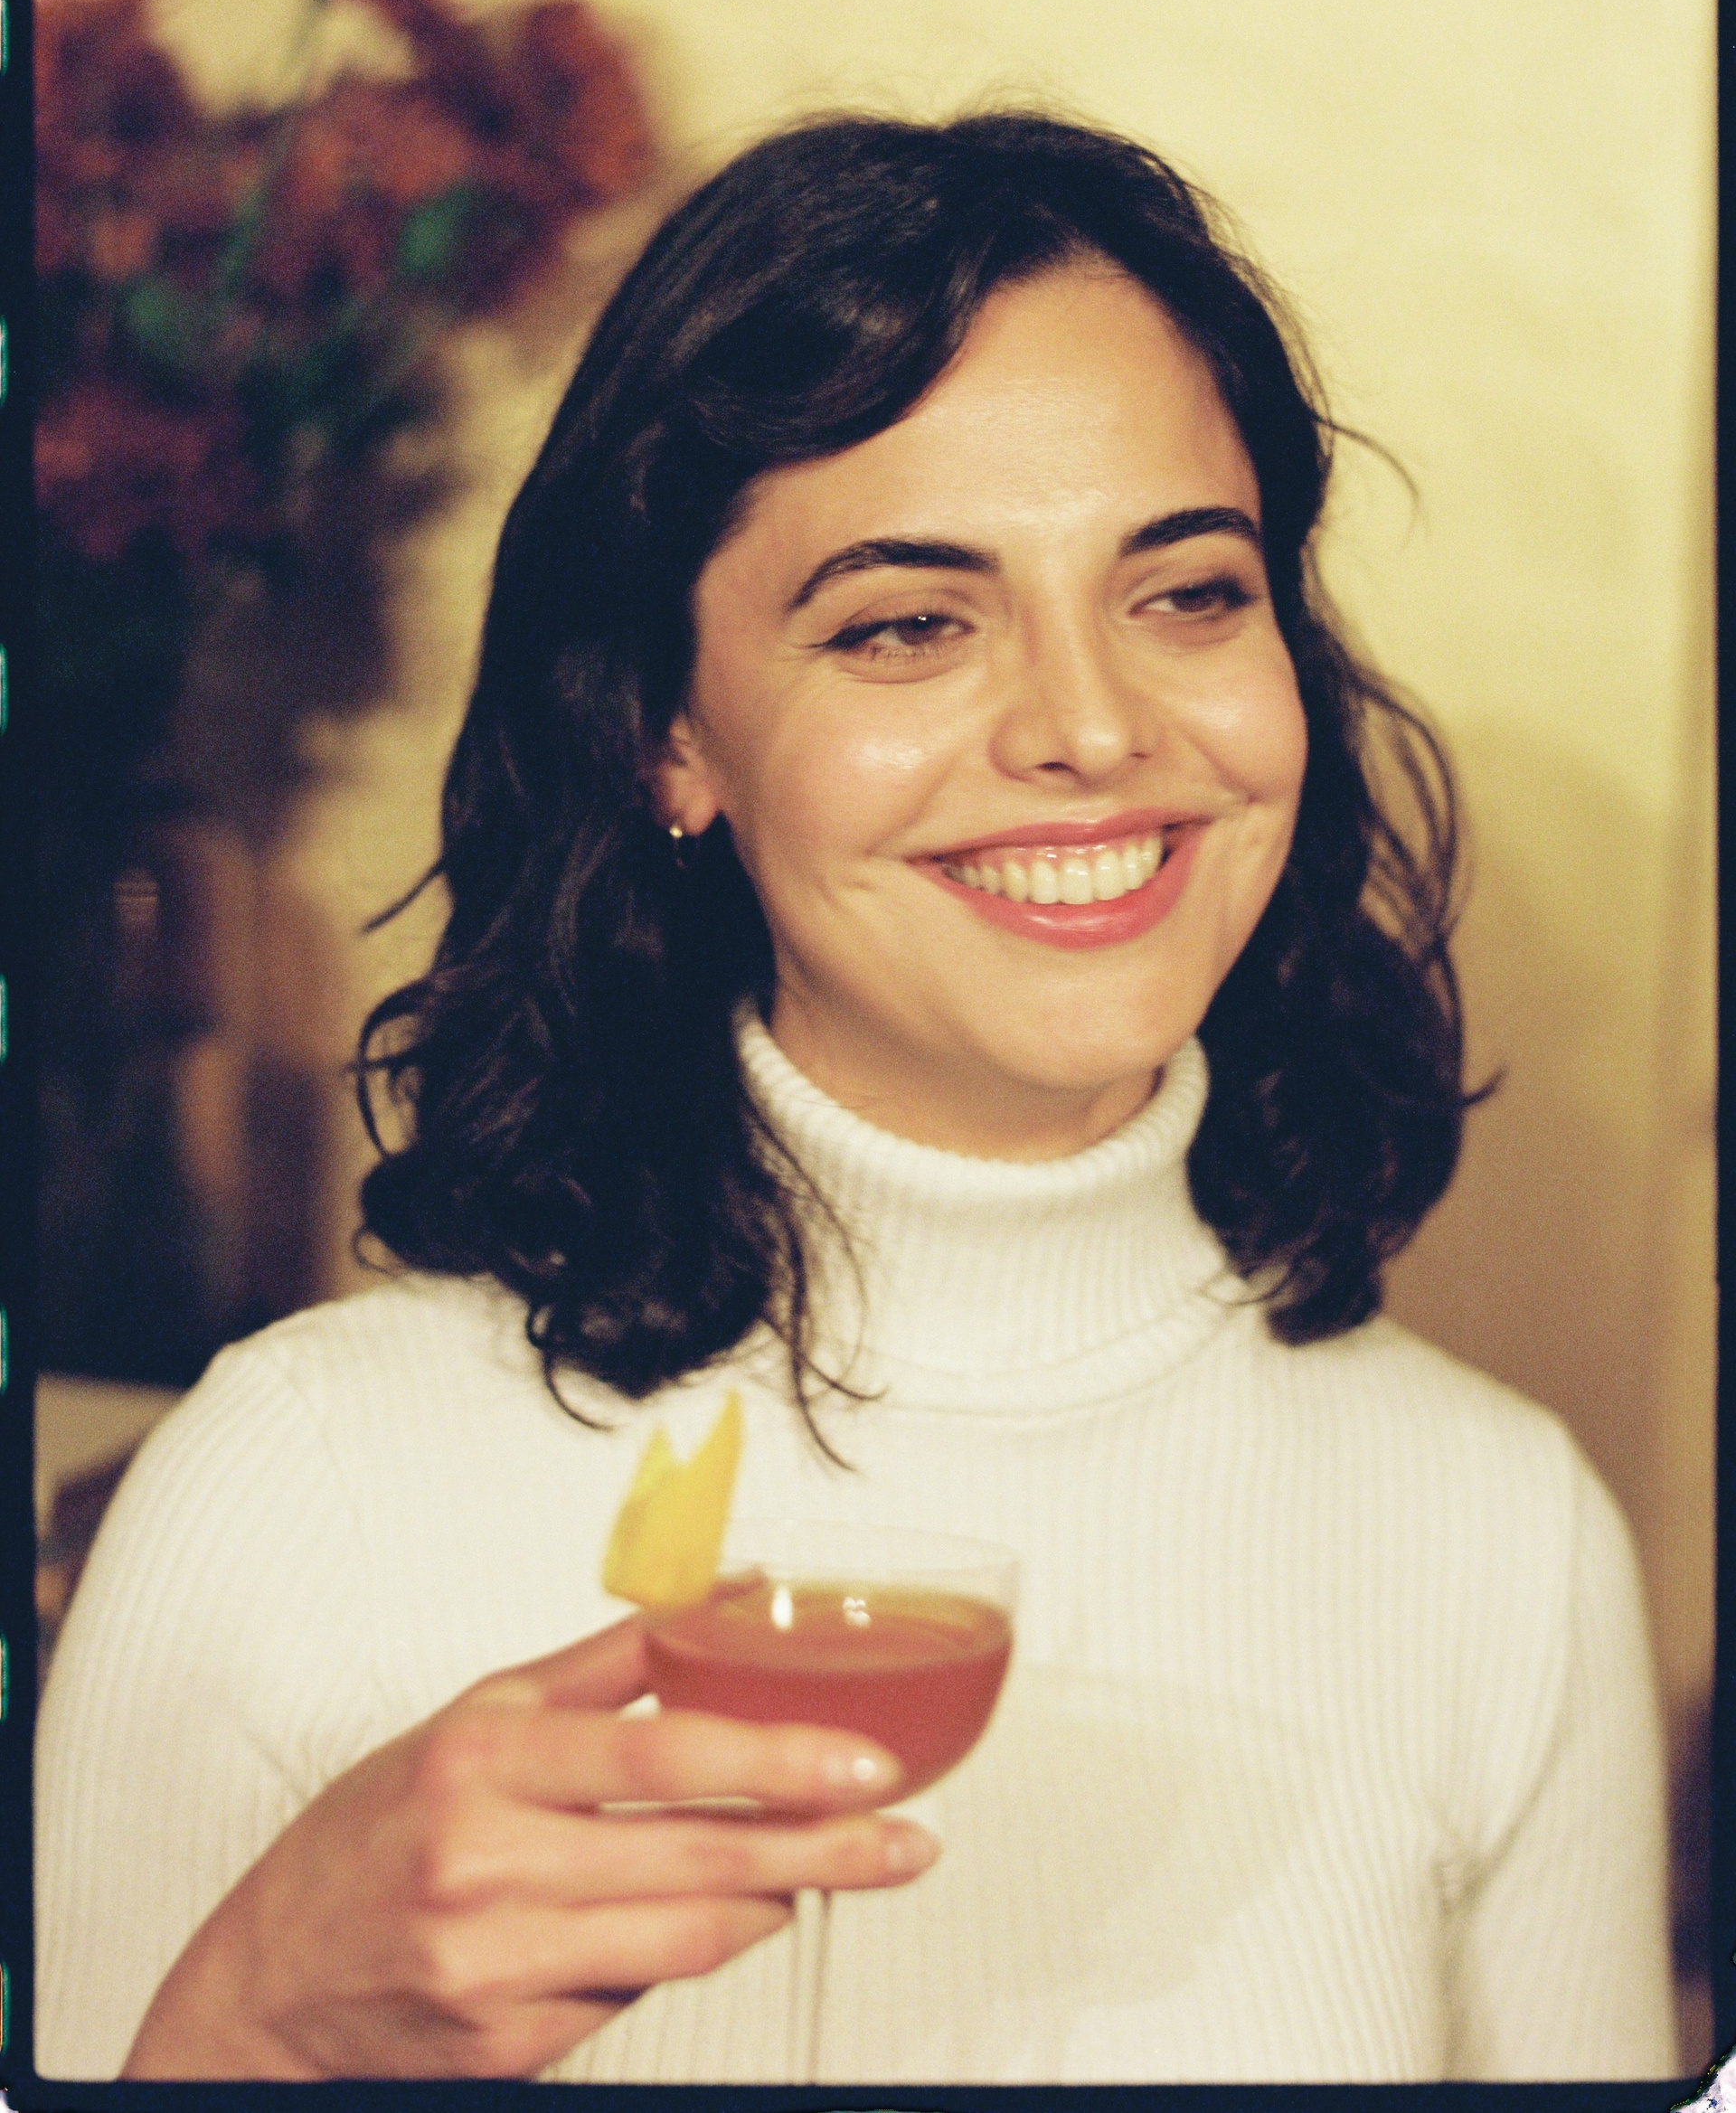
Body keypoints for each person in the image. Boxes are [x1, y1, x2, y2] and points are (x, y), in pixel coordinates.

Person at [35, 112, 1677, 2082]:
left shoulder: (1507, 1538)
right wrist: (252, 2022)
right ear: (668, 731)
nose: (1092, 727)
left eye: (1188, 592)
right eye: (908, 622)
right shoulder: (298, 1488)